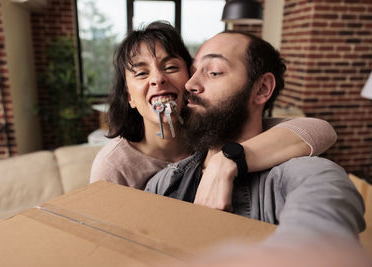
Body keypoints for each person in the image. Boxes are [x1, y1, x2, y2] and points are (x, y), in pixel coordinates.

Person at [145, 30, 365, 243]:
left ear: (261, 89)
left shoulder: (305, 178)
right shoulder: (163, 183)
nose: (190, 84)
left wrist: (228, 158)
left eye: (214, 72)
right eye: (193, 71)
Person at [90, 21, 337, 203]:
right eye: (142, 73)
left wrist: (227, 159)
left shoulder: (210, 127)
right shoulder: (116, 166)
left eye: (171, 66)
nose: (158, 79)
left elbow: (319, 130)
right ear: (130, 96)